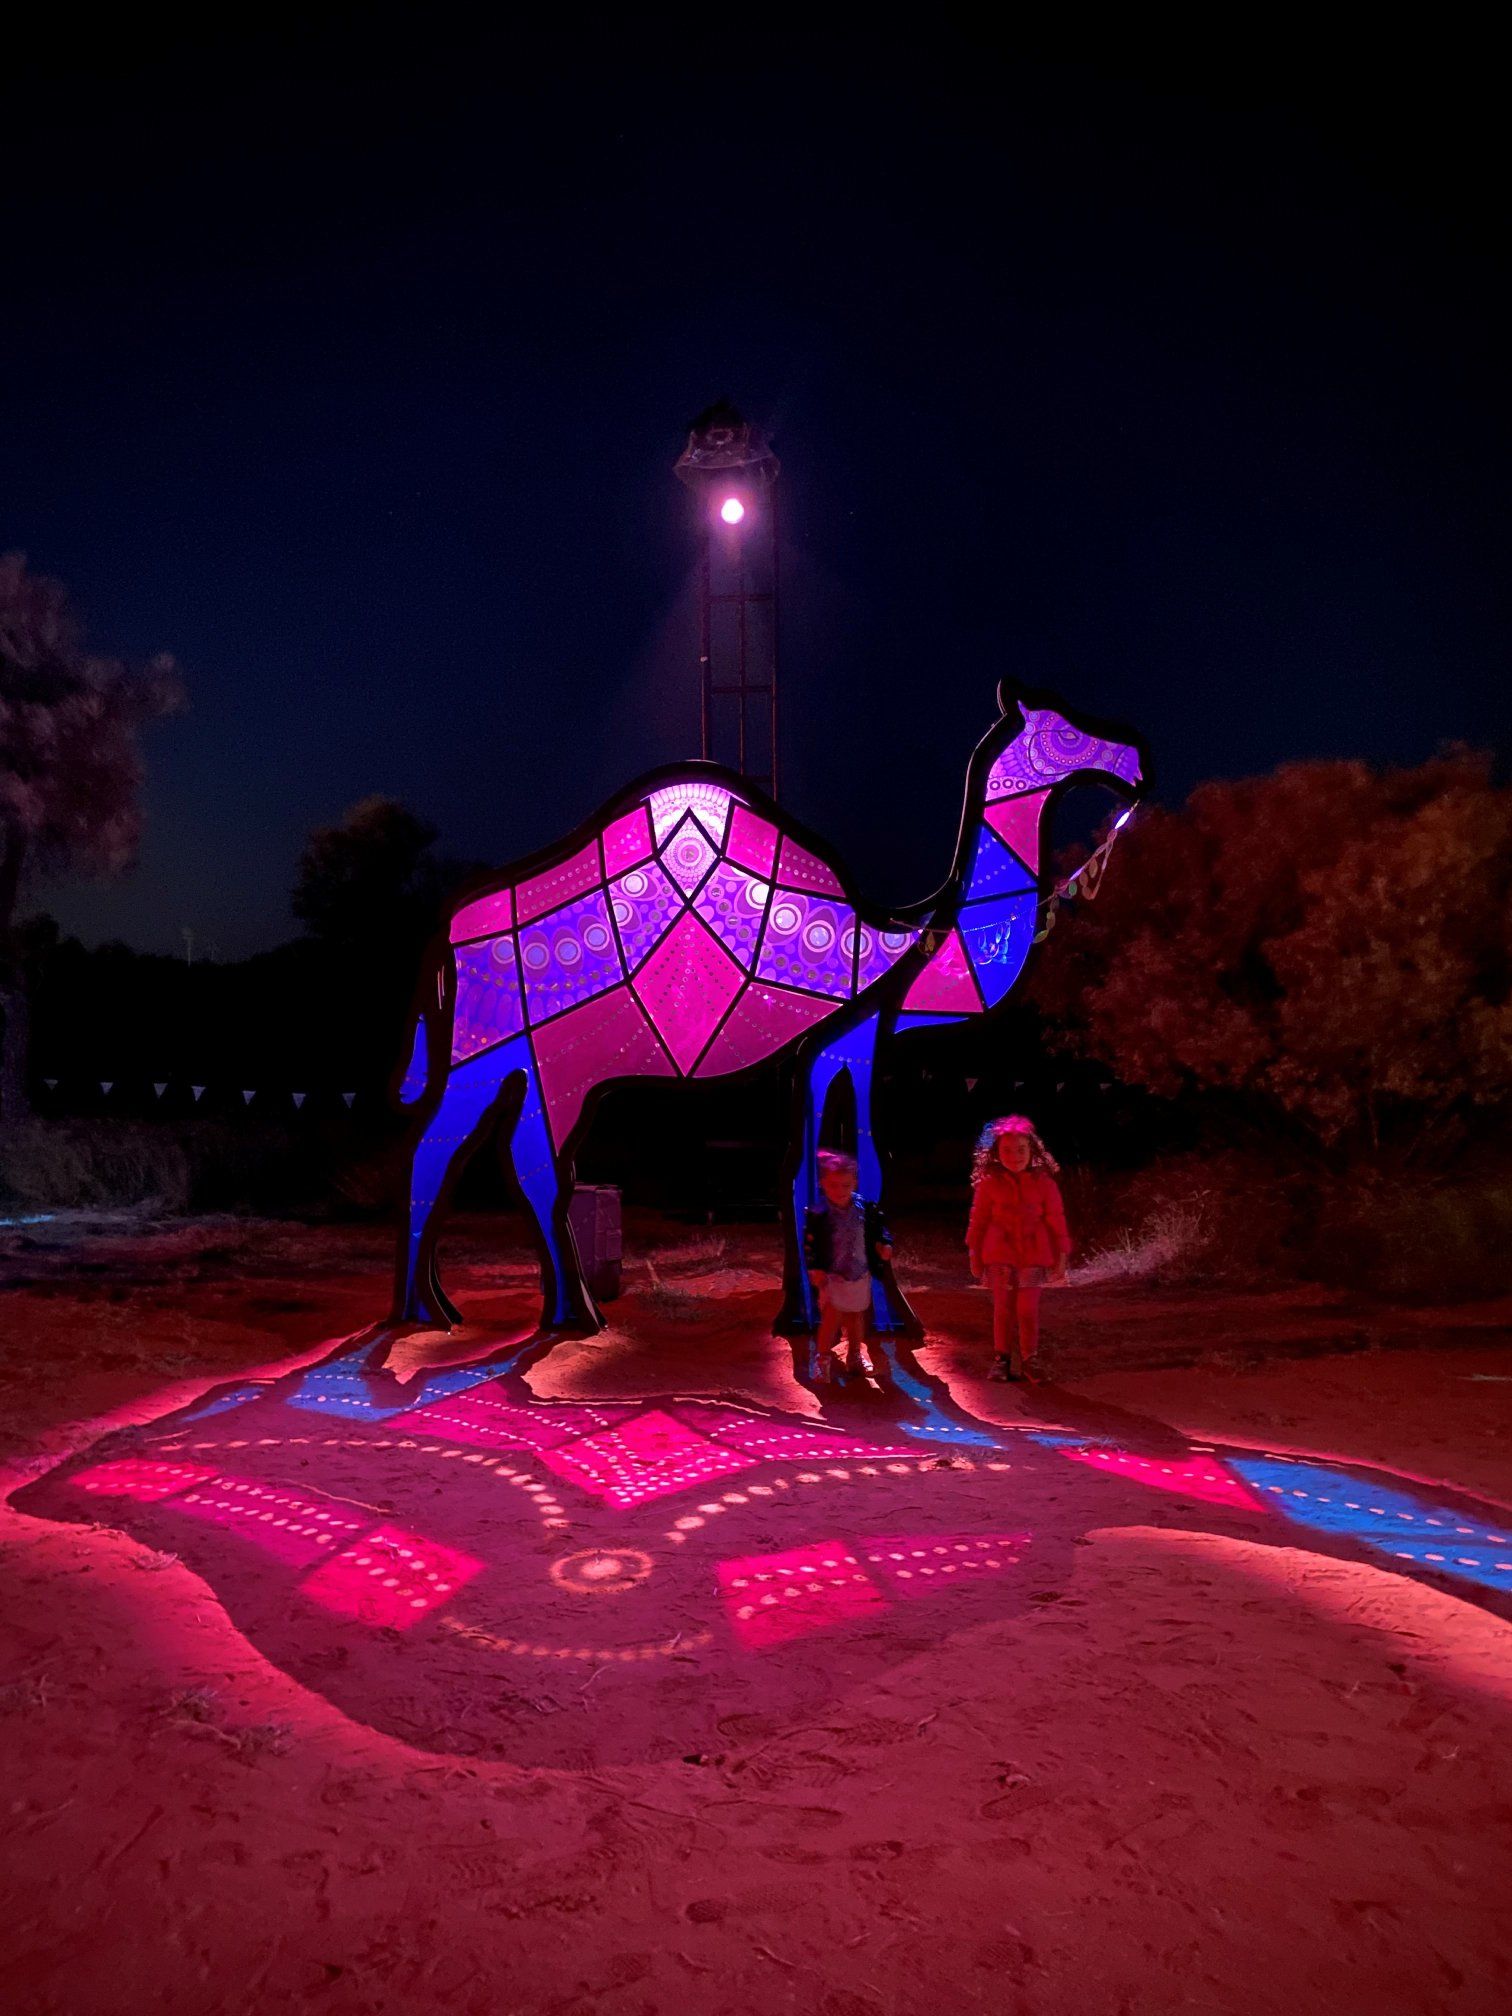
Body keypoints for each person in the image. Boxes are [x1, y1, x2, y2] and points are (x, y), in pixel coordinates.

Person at [966, 1116, 1070, 1382]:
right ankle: (1002, 1358)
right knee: (1003, 1308)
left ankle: (1029, 1359)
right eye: (1007, 1150)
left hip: (1033, 1256)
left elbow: (1056, 1219)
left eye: (1021, 1149)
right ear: (996, 1153)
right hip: (999, 1255)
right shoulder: (989, 1184)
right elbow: (978, 1221)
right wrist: (975, 1255)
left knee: (1027, 1309)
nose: (1015, 1156)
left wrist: (1061, 1255)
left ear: (1032, 1151)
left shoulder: (1044, 1183)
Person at [804, 1149, 893, 1385]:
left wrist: (885, 1243)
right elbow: (810, 1244)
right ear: (823, 1184)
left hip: (858, 1272)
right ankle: (822, 1359)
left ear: (854, 1182)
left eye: (845, 1185)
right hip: (833, 1275)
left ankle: (854, 1354)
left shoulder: (866, 1208)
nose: (840, 1191)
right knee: (832, 1317)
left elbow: (879, 1229)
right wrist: (814, 1268)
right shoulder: (819, 1213)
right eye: (833, 1186)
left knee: (856, 1316)